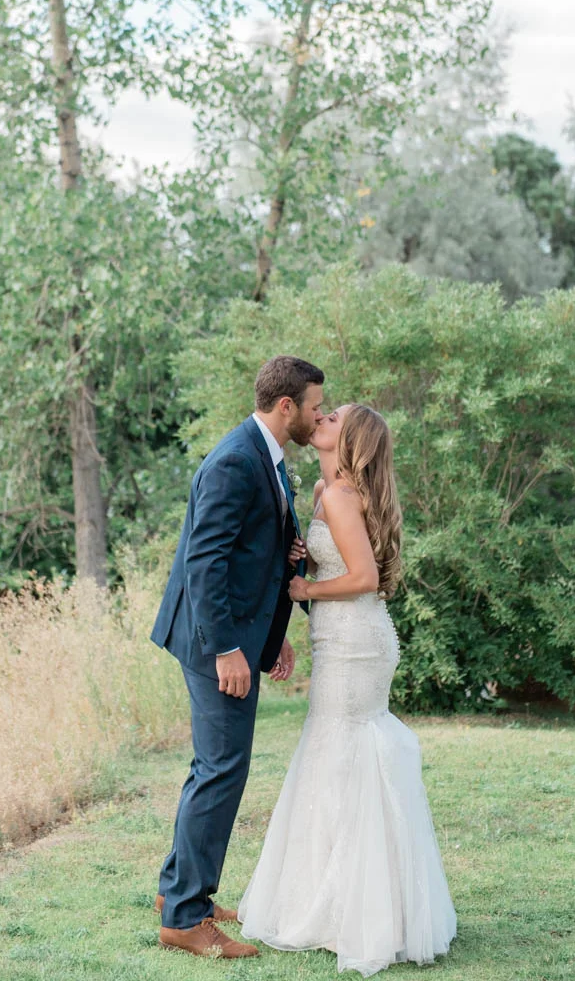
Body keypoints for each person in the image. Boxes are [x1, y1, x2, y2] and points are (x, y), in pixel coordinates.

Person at [238, 403, 457, 976]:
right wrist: (303, 558)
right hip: (341, 638)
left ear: (351, 439)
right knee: (334, 753)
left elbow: (363, 577)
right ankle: (341, 899)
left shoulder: (339, 495)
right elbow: (335, 558)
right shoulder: (324, 491)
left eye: (332, 418)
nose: (321, 419)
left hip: (357, 643)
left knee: (343, 753)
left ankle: (356, 912)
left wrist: (306, 589)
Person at [150, 355, 326, 961]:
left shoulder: (265, 455)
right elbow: (205, 562)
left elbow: (255, 551)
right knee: (222, 768)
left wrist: (273, 633)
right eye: (314, 407)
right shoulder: (235, 460)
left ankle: (176, 891)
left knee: (213, 766)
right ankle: (184, 917)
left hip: (235, 634)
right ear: (287, 406)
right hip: (211, 641)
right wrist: (228, 648)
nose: (319, 416)